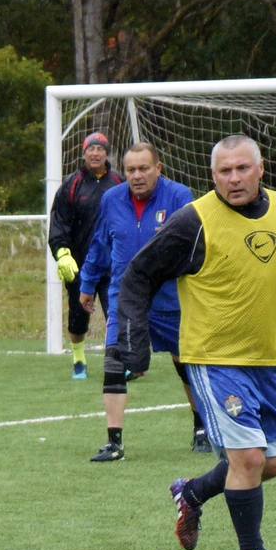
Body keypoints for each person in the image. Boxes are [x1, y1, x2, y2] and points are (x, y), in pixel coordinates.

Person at [111, 134, 276, 550]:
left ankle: (191, 493)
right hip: (214, 359)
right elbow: (138, 276)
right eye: (224, 171)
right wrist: (133, 344)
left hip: (270, 357)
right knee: (249, 459)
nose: (234, 178)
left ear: (261, 168)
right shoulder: (193, 221)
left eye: (242, 169)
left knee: (270, 463)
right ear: (212, 176)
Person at [79, 143, 204, 461]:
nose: (137, 175)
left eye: (144, 168)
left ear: (158, 169)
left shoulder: (179, 196)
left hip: (170, 298)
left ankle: (201, 428)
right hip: (126, 298)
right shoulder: (111, 199)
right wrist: (88, 283)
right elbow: (100, 243)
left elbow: (197, 247)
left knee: (186, 365)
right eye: (131, 170)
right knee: (114, 364)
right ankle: (114, 442)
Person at [47, 131, 120, 379]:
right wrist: (62, 253)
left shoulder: (120, 182)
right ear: (84, 152)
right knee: (78, 318)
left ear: (106, 153)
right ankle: (79, 360)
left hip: (113, 265)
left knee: (117, 314)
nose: (96, 153)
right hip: (81, 266)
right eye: (91, 149)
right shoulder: (71, 185)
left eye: (100, 149)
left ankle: (119, 361)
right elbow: (58, 222)